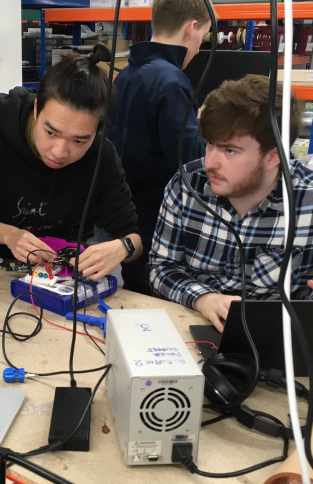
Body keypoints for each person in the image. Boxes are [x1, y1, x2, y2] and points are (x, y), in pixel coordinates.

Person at [150, 74, 313, 332]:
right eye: (209, 145)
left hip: (278, 346)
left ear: (273, 156)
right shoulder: (187, 184)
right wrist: (203, 298)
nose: (210, 163)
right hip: (194, 328)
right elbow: (161, 266)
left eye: (230, 150)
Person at [0, 44, 142, 282]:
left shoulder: (102, 156)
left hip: (61, 275)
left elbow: (133, 236)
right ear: (36, 109)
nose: (60, 152)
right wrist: (9, 235)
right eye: (51, 132)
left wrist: (122, 248)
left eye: (79, 140)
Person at [107, 0, 212, 295]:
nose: (200, 47)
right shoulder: (171, 80)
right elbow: (193, 161)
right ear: (192, 28)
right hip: (156, 219)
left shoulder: (127, 73)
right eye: (203, 36)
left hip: (125, 214)